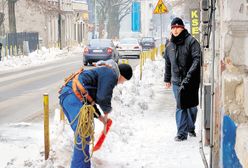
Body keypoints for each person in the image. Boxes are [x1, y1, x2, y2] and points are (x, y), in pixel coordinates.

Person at [59, 59, 133, 167]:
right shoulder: (111, 73)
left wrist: (100, 117)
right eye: (124, 80)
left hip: (70, 96)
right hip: (72, 95)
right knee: (83, 133)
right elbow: (103, 97)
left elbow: (90, 99)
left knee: (85, 133)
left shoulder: (105, 72)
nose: (121, 83)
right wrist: (107, 113)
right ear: (122, 75)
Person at [164, 17, 201, 141]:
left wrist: (190, 75)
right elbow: (168, 63)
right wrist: (167, 79)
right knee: (181, 106)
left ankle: (190, 127)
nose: (175, 30)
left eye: (177, 27)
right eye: (173, 28)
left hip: (191, 80)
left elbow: (197, 59)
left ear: (183, 28)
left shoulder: (191, 42)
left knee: (191, 107)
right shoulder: (169, 45)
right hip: (176, 81)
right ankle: (181, 133)